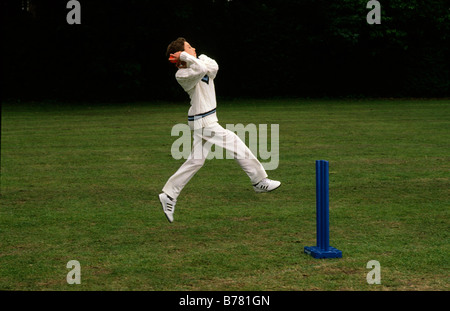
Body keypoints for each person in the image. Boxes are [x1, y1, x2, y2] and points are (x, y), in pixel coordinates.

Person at [159, 37, 281, 223]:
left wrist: (191, 57)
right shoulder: (182, 75)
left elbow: (213, 66)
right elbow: (200, 69)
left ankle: (168, 195)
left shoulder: (199, 61)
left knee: (196, 161)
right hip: (203, 121)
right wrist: (186, 57)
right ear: (180, 56)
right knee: (235, 142)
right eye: (189, 47)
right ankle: (259, 181)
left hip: (206, 119)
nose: (194, 48)